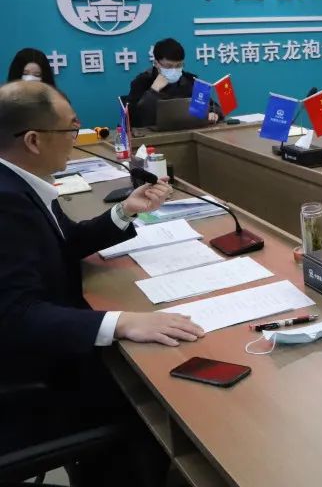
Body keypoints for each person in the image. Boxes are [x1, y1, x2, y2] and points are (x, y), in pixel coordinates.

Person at [0, 81, 203, 480]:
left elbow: (64, 242)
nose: (77, 139)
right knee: (156, 400)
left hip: (44, 353)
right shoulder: (5, 202)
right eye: (70, 129)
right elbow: (15, 315)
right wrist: (121, 321)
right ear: (34, 140)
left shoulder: (18, 183)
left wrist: (125, 211)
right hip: (35, 382)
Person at [126, 38, 222, 128]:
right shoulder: (142, 82)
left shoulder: (190, 80)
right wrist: (153, 91)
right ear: (156, 63)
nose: (174, 70)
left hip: (187, 132)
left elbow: (214, 107)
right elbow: (133, 118)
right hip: (153, 135)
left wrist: (213, 113)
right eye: (169, 66)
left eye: (179, 65)